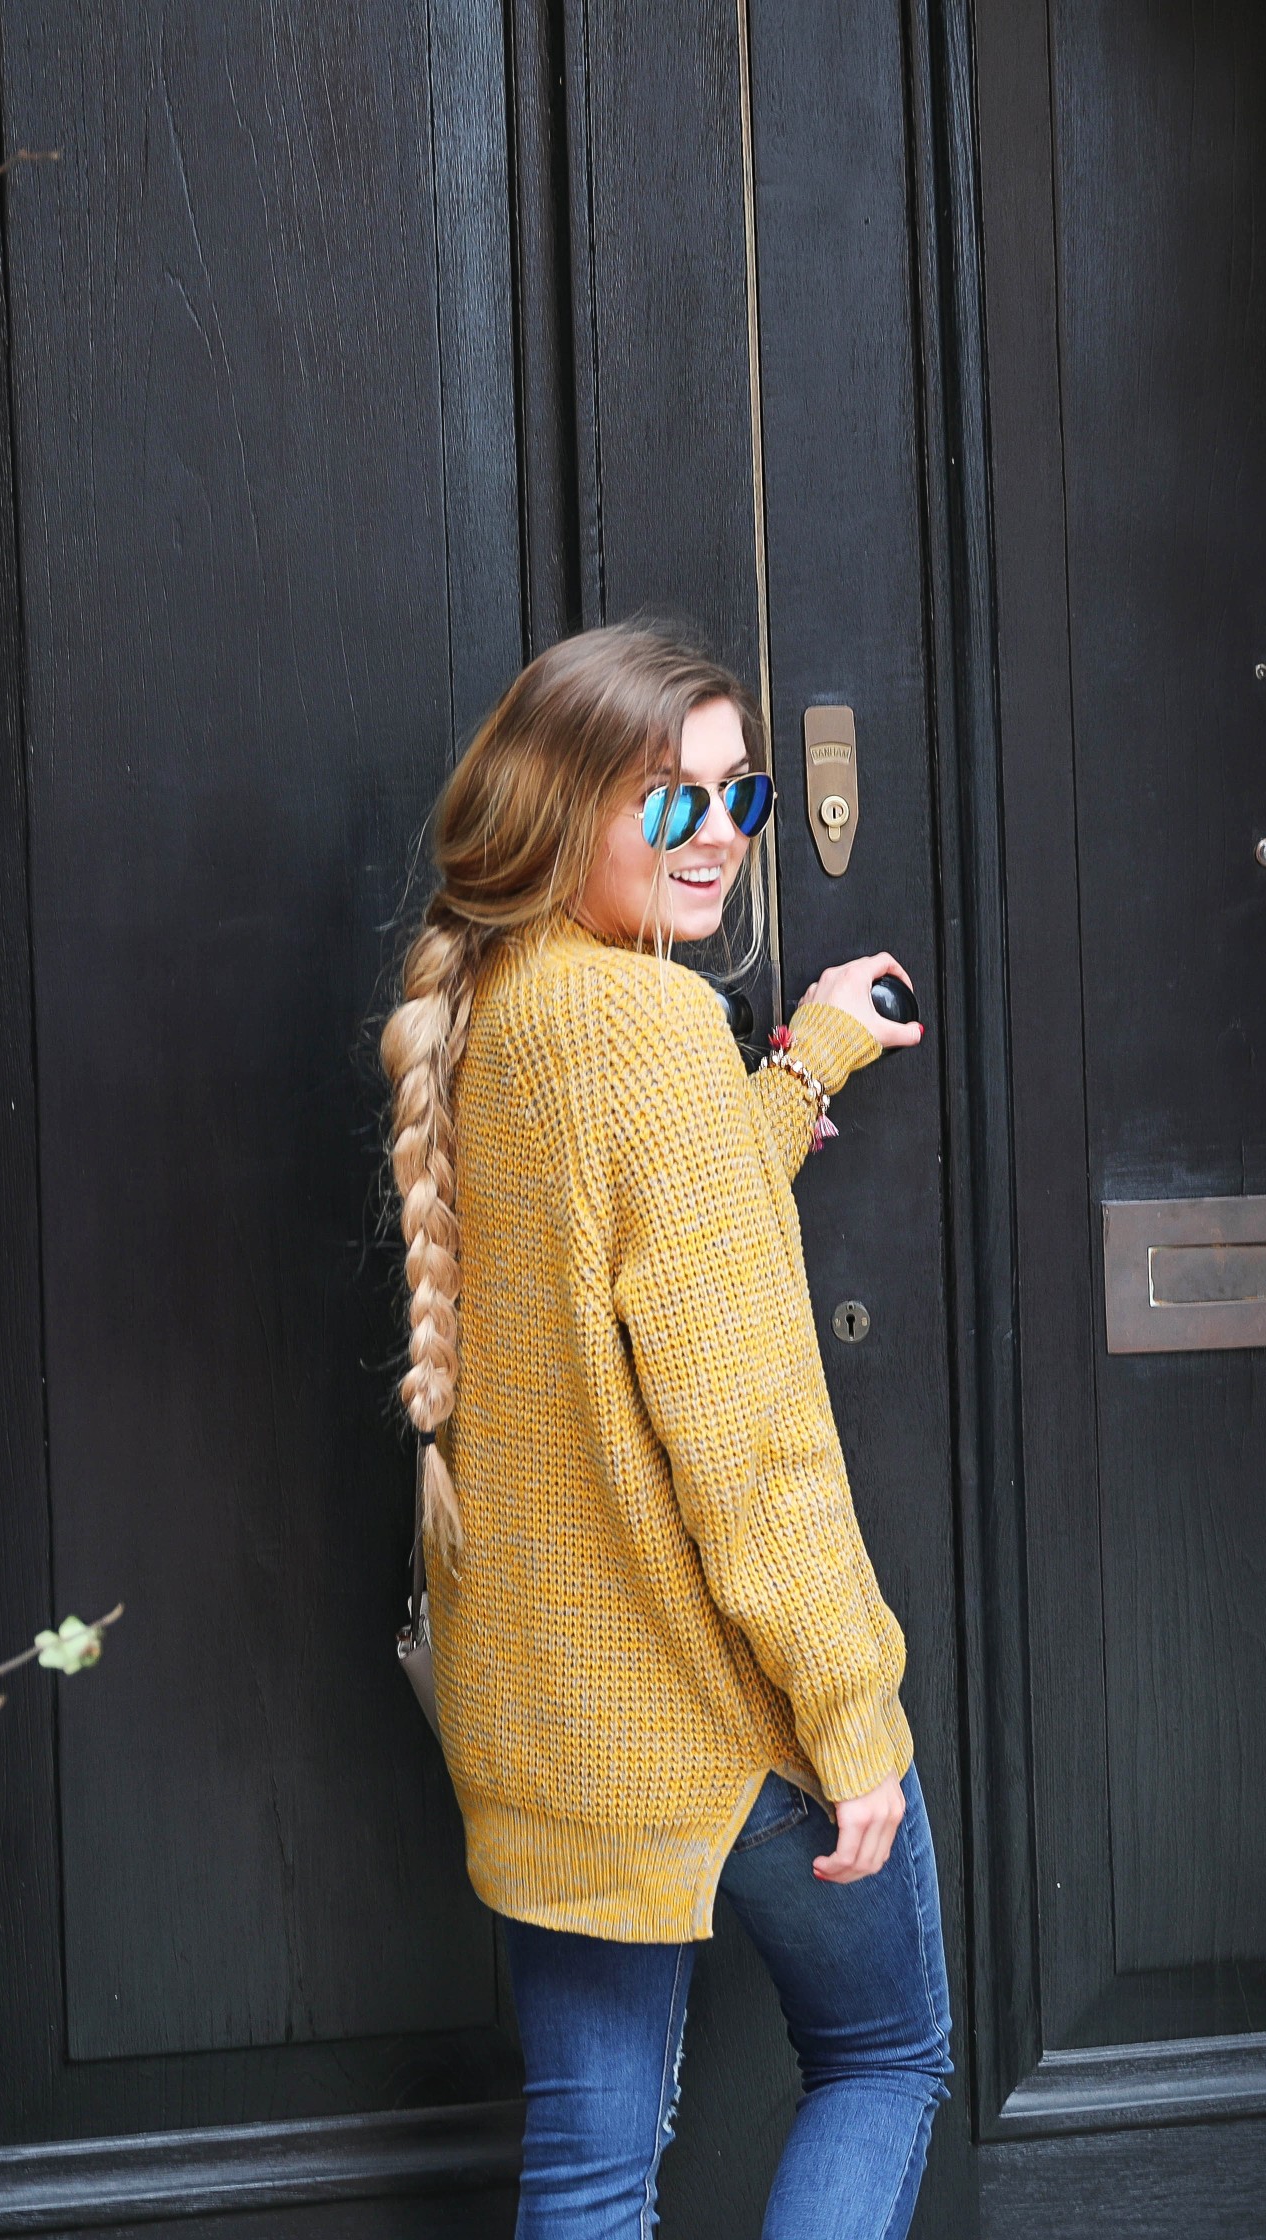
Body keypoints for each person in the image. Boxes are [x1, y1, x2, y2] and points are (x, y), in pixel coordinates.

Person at [377, 624, 949, 2239]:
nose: (718, 841)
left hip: (552, 1731)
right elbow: (751, 1434)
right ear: (564, 813)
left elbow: (637, 1234)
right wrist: (852, 1715)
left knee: (584, 2169)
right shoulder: (645, 1035)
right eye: (667, 803)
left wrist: (803, 1060)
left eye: (739, 795)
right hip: (721, 1730)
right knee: (886, 2058)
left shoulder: (495, 1008)